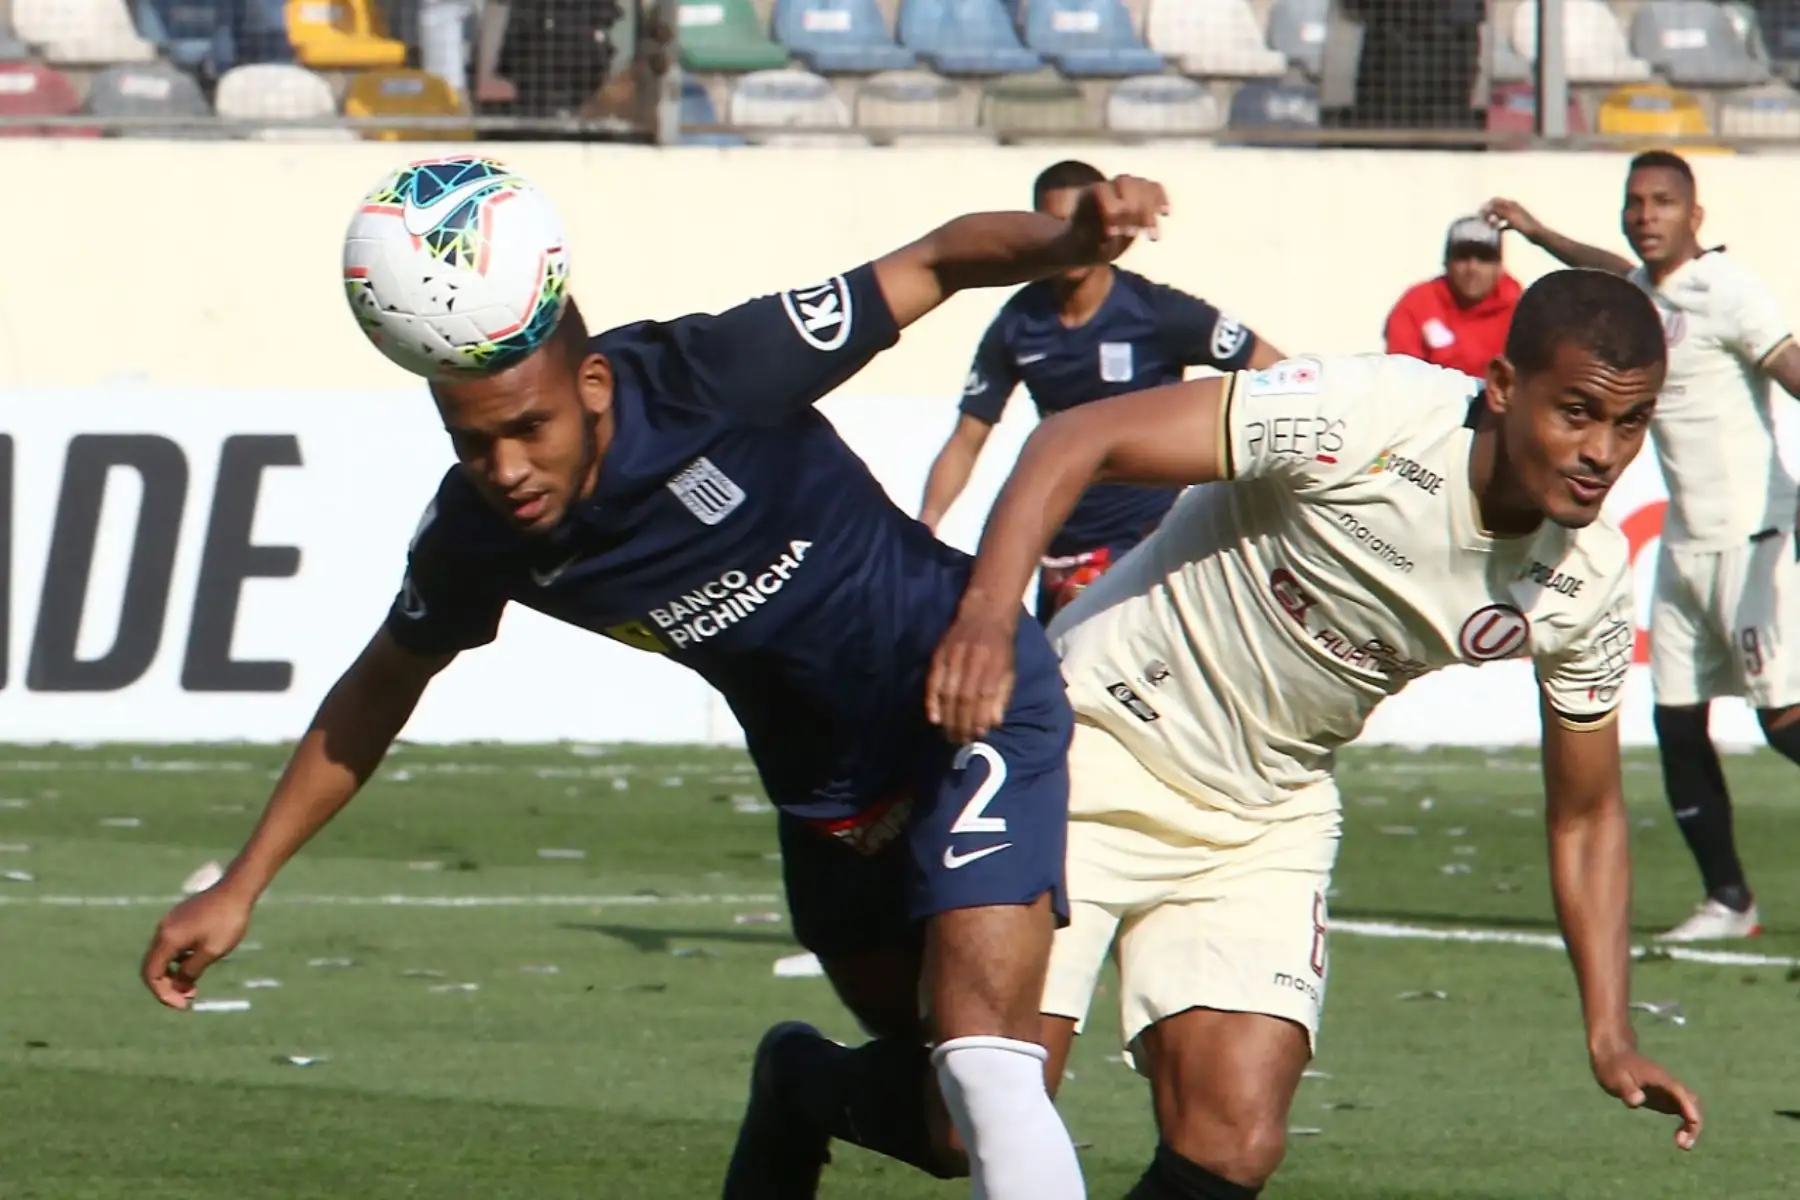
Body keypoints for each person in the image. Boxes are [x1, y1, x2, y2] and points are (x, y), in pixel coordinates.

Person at [138, 173, 1181, 1200]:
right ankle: (799, 1086)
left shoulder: (713, 373)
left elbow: (936, 259)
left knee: (990, 1072)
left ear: (592, 387)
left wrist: (1064, 244)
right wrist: (241, 883)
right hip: (827, 804)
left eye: (526, 428)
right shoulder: (478, 535)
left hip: (969, 701)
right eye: (472, 444)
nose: (504, 468)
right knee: (949, 1124)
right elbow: (376, 690)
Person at [925, 268, 1703, 1199]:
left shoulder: (1587, 581)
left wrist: (1610, 1030)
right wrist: (984, 616)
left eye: (1630, 423)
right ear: (1501, 386)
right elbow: (1074, 438)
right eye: (1576, 412)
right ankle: (805, 1086)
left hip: (1261, 816)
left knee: (1234, 1141)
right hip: (1093, 747)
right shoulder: (1369, 414)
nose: (1601, 452)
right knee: (972, 1125)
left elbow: (1587, 816)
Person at [1486, 150, 1800, 942]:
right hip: (1686, 545)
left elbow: (1791, 364)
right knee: (1676, 719)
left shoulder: (1724, 289)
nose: (1646, 214)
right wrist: (1534, 231)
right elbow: (1609, 271)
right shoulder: (1642, 294)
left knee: (1785, 720)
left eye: (1663, 202)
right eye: (1635, 202)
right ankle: (1729, 901)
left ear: (1695, 217)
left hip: (1754, 537)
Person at [919, 159, 1282, 623]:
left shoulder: (1156, 312)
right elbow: (968, 437)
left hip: (1150, 539)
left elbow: (1273, 371)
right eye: (1054, 224)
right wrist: (927, 521)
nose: (1072, 235)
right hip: (1058, 543)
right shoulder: (1018, 324)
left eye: (1081, 220)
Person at [1383, 214, 1523, 379]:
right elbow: (1403, 377)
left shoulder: (1521, 309)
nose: (1472, 269)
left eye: (1484, 258)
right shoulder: (1417, 304)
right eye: (1462, 257)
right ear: (1446, 262)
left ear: (1500, 266)